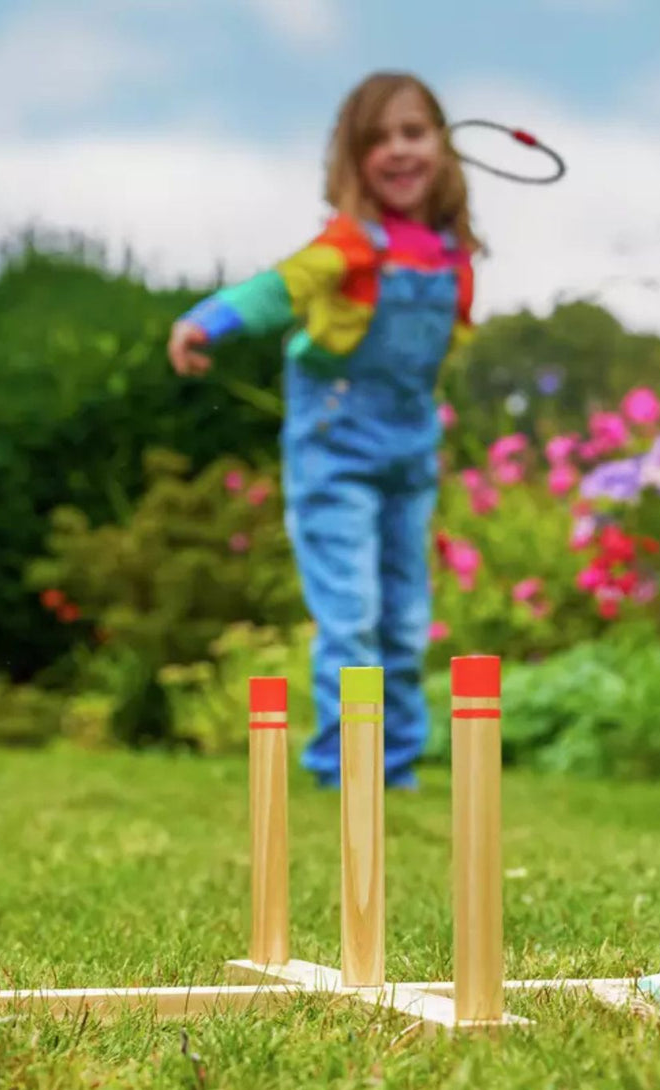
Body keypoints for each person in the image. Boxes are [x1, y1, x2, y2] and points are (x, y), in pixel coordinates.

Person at [168, 71, 482, 790]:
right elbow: (275, 290)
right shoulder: (348, 246)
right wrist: (206, 322)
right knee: (353, 614)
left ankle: (395, 767)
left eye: (414, 132)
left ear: (442, 145)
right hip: (335, 446)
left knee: (406, 619)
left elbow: (440, 355)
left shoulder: (452, 258)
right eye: (379, 140)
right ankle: (346, 765)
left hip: (409, 449)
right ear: (353, 159)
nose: (399, 151)